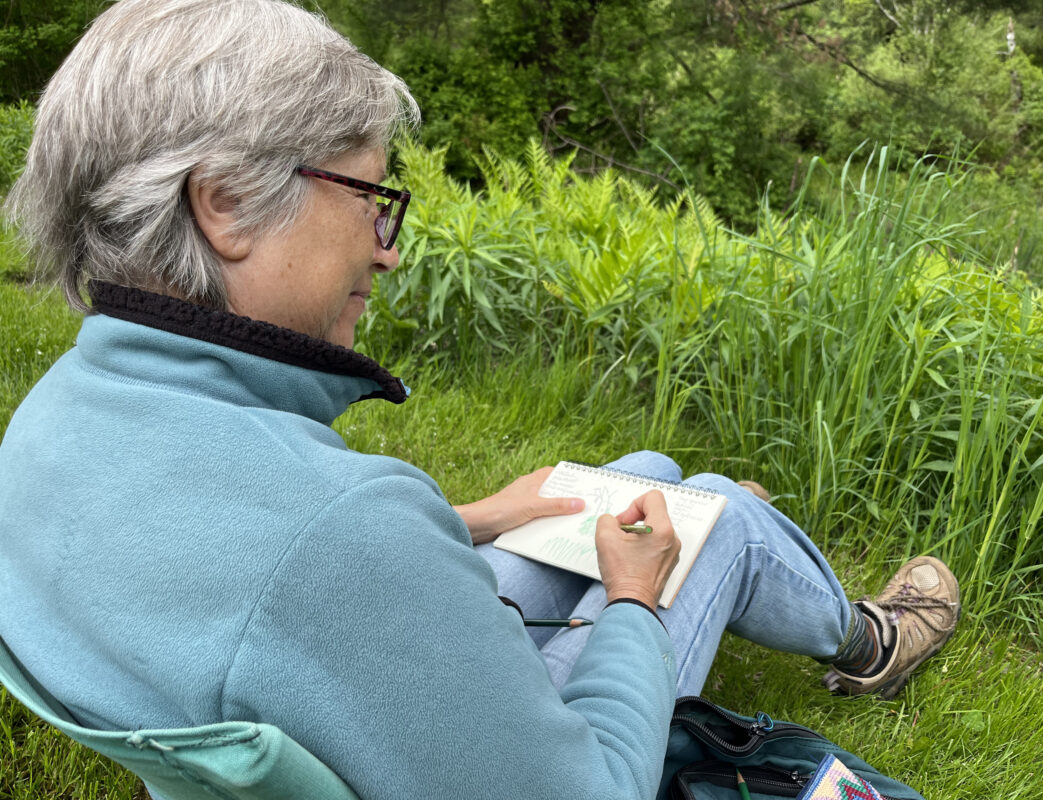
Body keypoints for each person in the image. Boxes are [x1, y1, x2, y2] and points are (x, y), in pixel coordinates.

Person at [0, 1, 960, 798]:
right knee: (715, 516)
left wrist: (466, 521)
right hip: (439, 734)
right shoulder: (344, 531)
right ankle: (868, 639)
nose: (386, 246)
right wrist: (628, 600)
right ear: (225, 204)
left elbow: (224, 563)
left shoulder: (49, 420)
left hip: (327, 693)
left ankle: (710, 536)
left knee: (637, 479)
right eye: (368, 196)